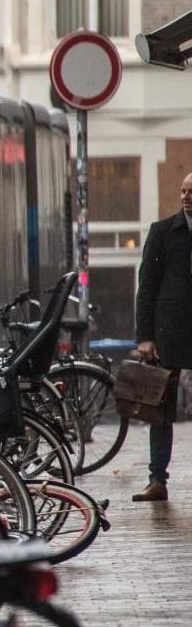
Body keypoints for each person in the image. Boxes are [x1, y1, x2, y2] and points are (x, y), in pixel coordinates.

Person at [130, 170, 192, 502]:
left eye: (191, 192)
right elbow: (147, 288)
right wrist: (145, 336)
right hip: (170, 332)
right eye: (183, 191)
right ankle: (157, 479)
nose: (185, 197)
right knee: (161, 407)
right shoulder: (163, 232)